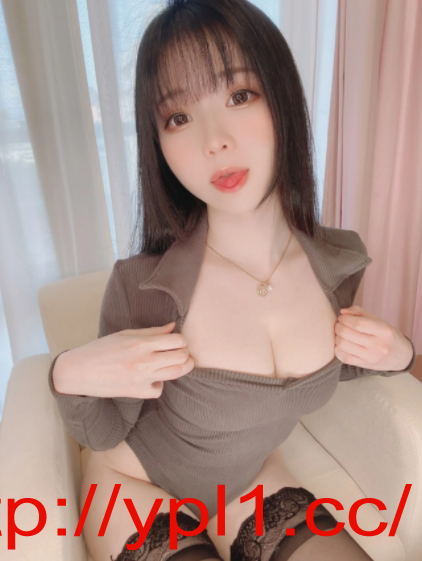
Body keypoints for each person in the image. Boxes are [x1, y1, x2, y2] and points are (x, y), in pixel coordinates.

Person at [48, 1, 417, 560]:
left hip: (250, 484)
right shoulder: (145, 286)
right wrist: (68, 371)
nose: (213, 141)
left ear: (282, 95)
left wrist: (400, 352)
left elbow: (341, 358)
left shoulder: (335, 264)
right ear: (158, 143)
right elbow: (101, 432)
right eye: (178, 118)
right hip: (135, 487)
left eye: (239, 96)